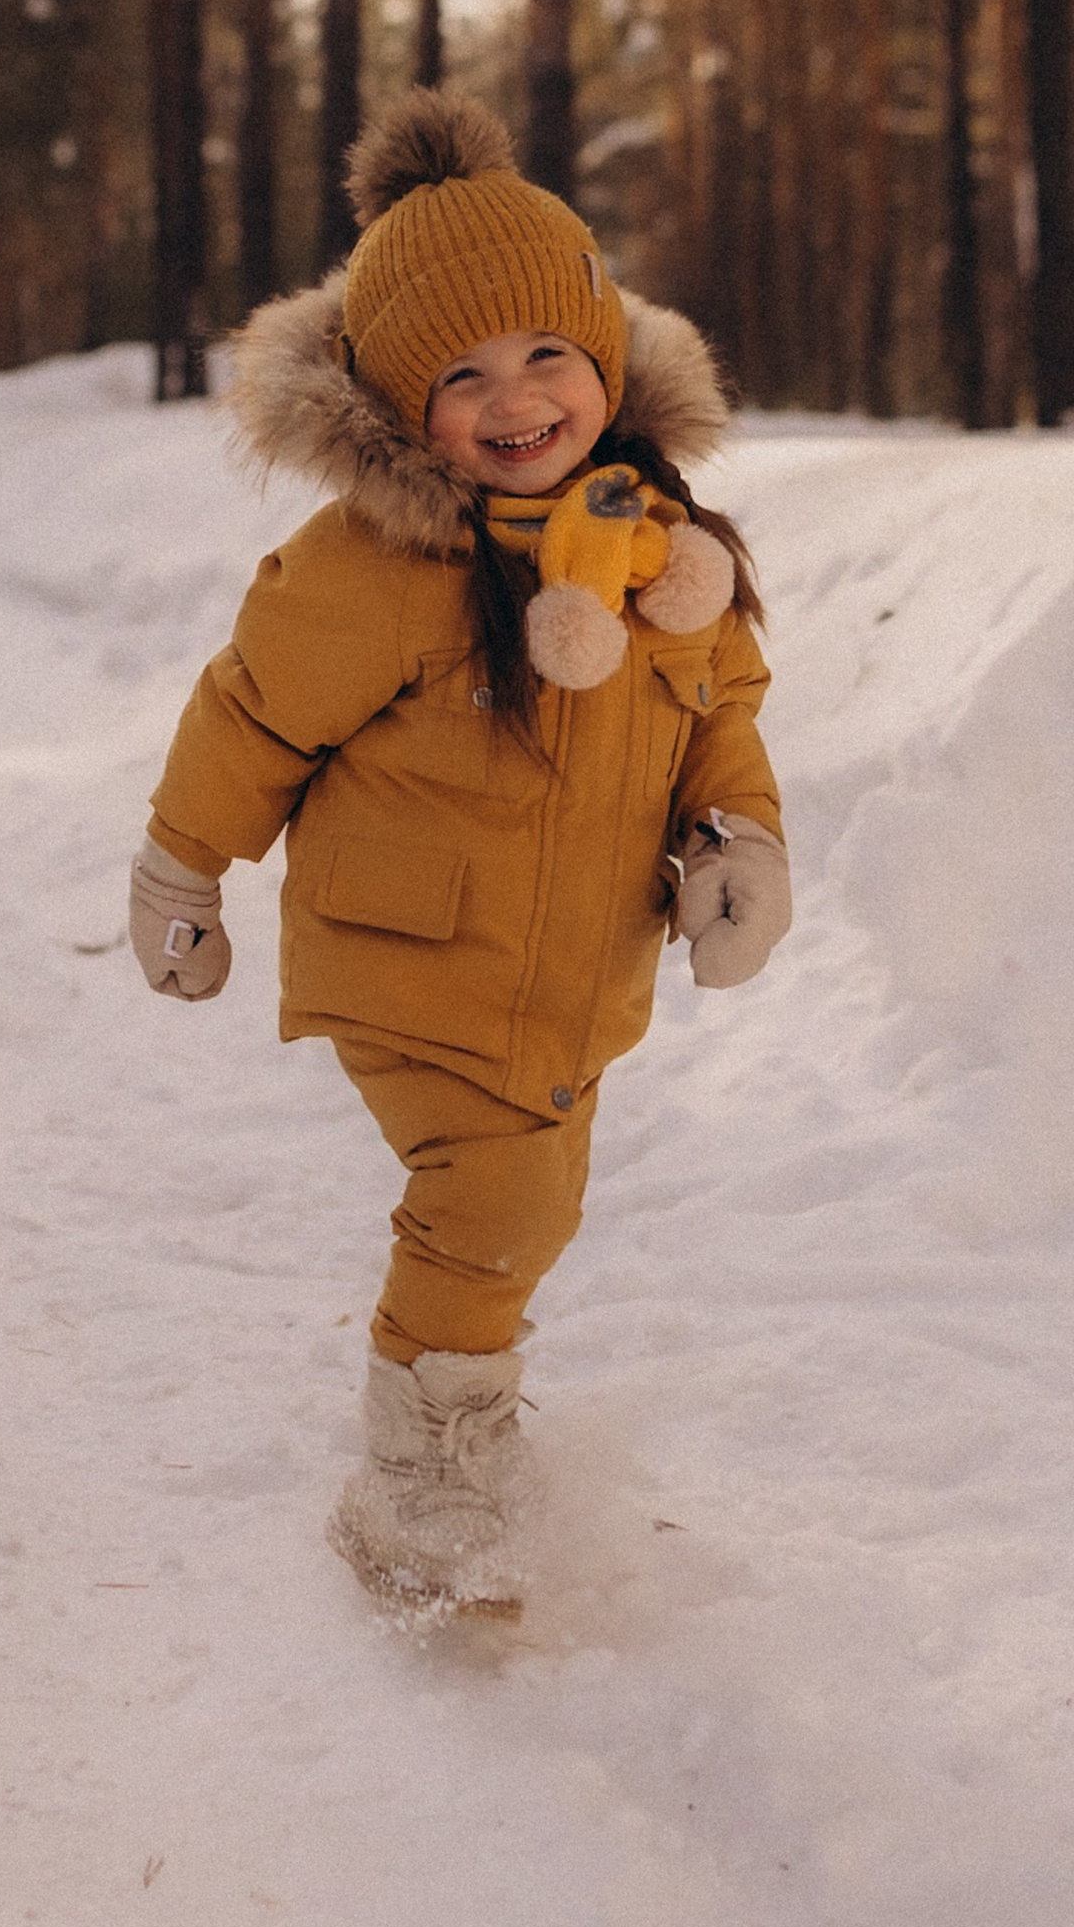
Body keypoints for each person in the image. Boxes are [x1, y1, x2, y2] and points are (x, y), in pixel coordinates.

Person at [128, 89, 789, 1622]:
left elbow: (718, 709)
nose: (514, 399)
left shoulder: (657, 544)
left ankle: (461, 1411)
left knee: (532, 1206)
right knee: (490, 1202)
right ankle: (420, 1489)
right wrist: (183, 870)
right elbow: (252, 718)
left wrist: (738, 834)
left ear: (605, 355)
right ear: (391, 404)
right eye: (461, 375)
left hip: (569, 969)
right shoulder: (376, 570)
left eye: (546, 353)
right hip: (413, 958)